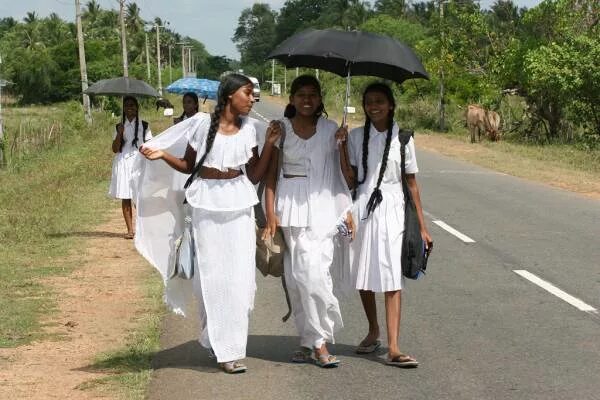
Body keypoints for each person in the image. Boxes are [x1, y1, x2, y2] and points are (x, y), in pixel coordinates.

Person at [138, 74, 281, 373]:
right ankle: (217, 340)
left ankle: (231, 350)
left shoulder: (252, 130)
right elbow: (189, 166)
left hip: (239, 205)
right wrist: (163, 154)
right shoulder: (202, 124)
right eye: (247, 93)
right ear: (230, 96)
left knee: (240, 278)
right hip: (206, 204)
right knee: (211, 278)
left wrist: (268, 145)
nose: (252, 99)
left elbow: (254, 176)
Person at [337, 82, 432, 368]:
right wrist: (341, 147)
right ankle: (373, 329)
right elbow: (351, 179)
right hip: (363, 207)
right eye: (369, 102)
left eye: (379, 101)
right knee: (363, 272)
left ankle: (393, 346)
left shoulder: (403, 139)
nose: (373, 106)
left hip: (393, 209)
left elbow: (412, 183)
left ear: (391, 105)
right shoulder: (355, 137)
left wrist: (423, 227)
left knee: (391, 275)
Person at [263, 75, 354, 368]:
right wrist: (270, 213)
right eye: (301, 95)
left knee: (314, 274)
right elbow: (271, 175)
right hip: (290, 209)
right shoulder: (281, 129)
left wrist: (341, 145)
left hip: (323, 209)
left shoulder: (331, 131)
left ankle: (317, 340)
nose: (306, 100)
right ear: (291, 99)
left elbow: (343, 176)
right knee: (295, 276)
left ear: (320, 99)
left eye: (312, 95)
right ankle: (311, 341)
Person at [108, 96, 152, 239]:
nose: (130, 108)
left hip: (139, 161)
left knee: (140, 196)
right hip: (124, 162)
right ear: (124, 109)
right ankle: (129, 230)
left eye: (132, 105)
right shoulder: (119, 126)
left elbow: (151, 144)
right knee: (126, 196)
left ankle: (143, 227)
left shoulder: (144, 126)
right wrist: (120, 133)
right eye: (127, 106)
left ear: (137, 107)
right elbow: (115, 149)